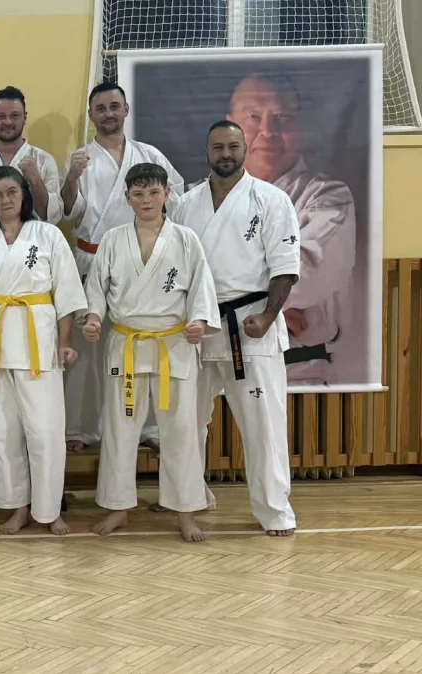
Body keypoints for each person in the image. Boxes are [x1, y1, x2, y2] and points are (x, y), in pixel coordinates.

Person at [169, 121, 299, 537]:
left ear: (245, 149)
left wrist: (269, 316)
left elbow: (285, 268)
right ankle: (191, 497)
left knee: (263, 424)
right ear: (207, 152)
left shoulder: (271, 200)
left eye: (232, 146)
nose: (225, 154)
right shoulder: (186, 204)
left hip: (249, 324)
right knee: (187, 422)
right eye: (218, 147)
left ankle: (275, 509)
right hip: (198, 325)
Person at [81, 163, 219, 543]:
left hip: (173, 344)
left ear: (166, 194)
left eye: (153, 192)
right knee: (120, 428)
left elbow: (201, 289)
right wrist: (93, 319)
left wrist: (199, 322)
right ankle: (118, 507)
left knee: (180, 430)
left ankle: (186, 511)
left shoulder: (186, 239)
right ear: (127, 197)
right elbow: (97, 289)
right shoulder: (113, 240)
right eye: (138, 194)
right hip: (126, 344)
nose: (146, 200)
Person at [60, 83, 186, 454]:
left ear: (126, 109)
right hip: (92, 257)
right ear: (91, 115)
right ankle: (81, 427)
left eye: (114, 106)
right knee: (87, 347)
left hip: (140, 259)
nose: (108, 113)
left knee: (143, 340)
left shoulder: (149, 155)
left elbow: (176, 199)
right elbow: (69, 210)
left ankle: (149, 425)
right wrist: (71, 177)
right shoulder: (81, 158)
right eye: (100, 108)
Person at [0, 166, 85, 536]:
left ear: (24, 195)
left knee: (45, 432)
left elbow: (66, 294)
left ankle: (50, 510)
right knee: (2, 433)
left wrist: (64, 342)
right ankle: (18, 507)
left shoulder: (47, 235)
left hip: (38, 344)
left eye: (11, 192)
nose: (5, 200)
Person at [226, 73, 356, 385]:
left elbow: (304, 272)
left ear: (300, 125)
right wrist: (270, 309)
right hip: (216, 366)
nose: (268, 131)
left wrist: (227, 304)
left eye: (281, 117)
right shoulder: (197, 198)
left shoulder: (327, 197)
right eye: (253, 116)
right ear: (230, 124)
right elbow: (183, 270)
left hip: (296, 372)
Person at [0, 86, 62, 225]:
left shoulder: (44, 160)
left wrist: (34, 179)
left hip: (32, 238)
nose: (8, 122)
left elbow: (51, 217)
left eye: (14, 116)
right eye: (1, 116)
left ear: (25, 118)